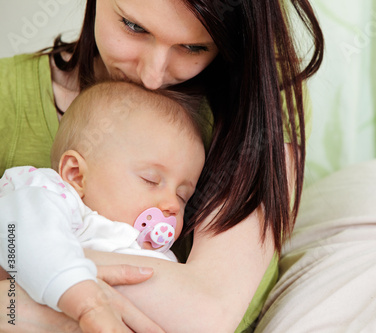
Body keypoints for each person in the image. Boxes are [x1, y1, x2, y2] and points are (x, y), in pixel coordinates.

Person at [0, 0, 324, 331]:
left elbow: (204, 314)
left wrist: (31, 263)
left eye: (194, 47)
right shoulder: (9, 102)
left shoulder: (260, 101)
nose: (152, 76)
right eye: (134, 26)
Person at [0, 81, 206, 333]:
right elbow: (22, 233)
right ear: (76, 175)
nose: (172, 204)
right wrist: (89, 305)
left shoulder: (164, 258)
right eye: (150, 180)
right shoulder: (58, 200)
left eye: (183, 196)